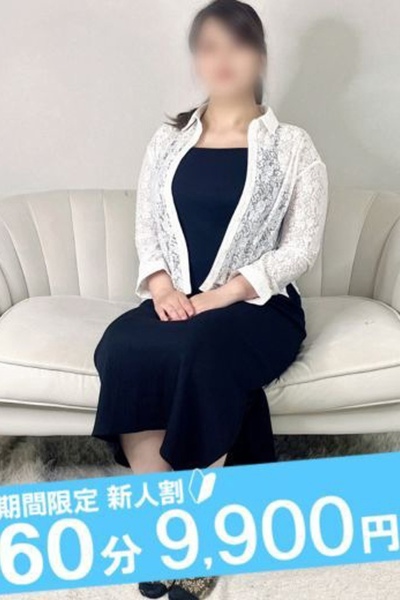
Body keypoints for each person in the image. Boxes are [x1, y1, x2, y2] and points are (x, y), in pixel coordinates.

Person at [93, 0, 328, 597]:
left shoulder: (292, 146)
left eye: (236, 44)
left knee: (200, 351)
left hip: (257, 308)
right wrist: (163, 287)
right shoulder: (168, 141)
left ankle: (200, 536)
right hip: (178, 300)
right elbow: (147, 227)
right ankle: (162, 528)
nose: (222, 58)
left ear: (260, 55)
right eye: (208, 46)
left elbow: (300, 248)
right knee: (123, 347)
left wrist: (223, 295)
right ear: (197, 59)